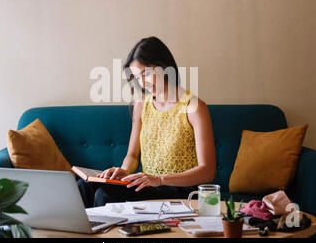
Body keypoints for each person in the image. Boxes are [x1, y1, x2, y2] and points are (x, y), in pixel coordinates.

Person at [77, 36, 217, 208]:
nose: (142, 83)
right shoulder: (142, 104)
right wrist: (124, 171)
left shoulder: (194, 107)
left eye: (146, 74)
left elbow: (207, 171)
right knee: (84, 187)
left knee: (105, 195)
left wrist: (159, 179)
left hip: (179, 189)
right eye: (137, 77)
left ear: (165, 66)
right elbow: (133, 155)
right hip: (147, 184)